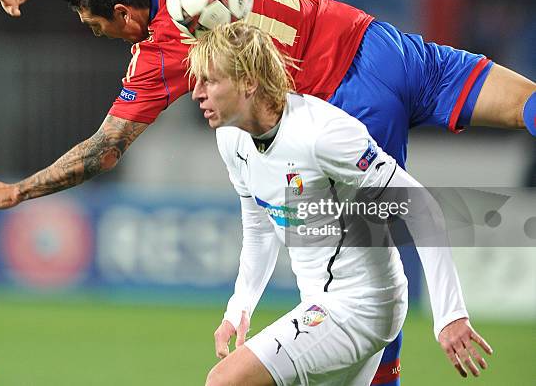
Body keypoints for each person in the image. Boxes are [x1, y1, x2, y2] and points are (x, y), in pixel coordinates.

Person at [0, 0, 532, 384]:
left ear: (128, 15)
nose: (107, 37)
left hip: (344, 106)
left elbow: (104, 149)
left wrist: (20, 192)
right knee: (523, 103)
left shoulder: (166, 55)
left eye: (101, 28)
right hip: (376, 40)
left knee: (360, 269)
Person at [188, 22, 492, 385]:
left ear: (248, 82)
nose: (196, 93)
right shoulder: (231, 139)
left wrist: (450, 314)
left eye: (209, 80)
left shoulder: (321, 134)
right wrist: (239, 308)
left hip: (362, 305)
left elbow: (421, 207)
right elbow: (259, 228)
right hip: (321, 300)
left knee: (225, 381)